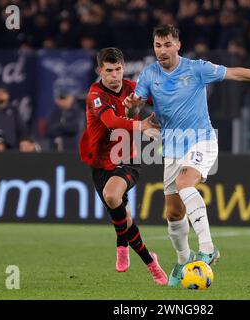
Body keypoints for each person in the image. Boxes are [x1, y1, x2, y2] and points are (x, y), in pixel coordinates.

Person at [123, 24, 250, 287]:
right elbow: (134, 114)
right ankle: (184, 259)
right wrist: (132, 110)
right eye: (157, 45)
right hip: (172, 146)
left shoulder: (196, 68)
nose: (161, 50)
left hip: (202, 140)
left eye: (166, 45)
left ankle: (208, 248)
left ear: (177, 45)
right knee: (173, 213)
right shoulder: (149, 75)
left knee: (185, 183)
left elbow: (236, 73)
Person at [79, 47, 168, 285]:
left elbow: (160, 98)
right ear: (100, 71)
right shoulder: (95, 95)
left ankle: (148, 265)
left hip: (128, 157)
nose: (115, 75)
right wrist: (143, 127)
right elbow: (111, 121)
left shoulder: (132, 88)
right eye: (109, 71)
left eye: (118, 69)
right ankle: (140, 252)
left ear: (123, 67)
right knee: (123, 217)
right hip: (100, 163)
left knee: (111, 195)